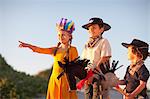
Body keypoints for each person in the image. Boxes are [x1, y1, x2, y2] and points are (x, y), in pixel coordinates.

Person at [19, 18, 78, 99]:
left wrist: (72, 84)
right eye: (59, 35)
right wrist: (28, 45)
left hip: (66, 81)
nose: (61, 37)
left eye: (63, 35)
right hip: (54, 79)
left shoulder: (73, 49)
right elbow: (41, 50)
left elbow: (74, 68)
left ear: (70, 36)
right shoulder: (56, 49)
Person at [81, 17, 112, 99]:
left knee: (97, 95)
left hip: (99, 75)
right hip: (88, 75)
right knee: (87, 96)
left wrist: (92, 73)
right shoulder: (86, 44)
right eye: (89, 28)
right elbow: (83, 61)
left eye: (94, 28)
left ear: (101, 29)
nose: (91, 30)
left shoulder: (104, 41)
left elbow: (104, 58)